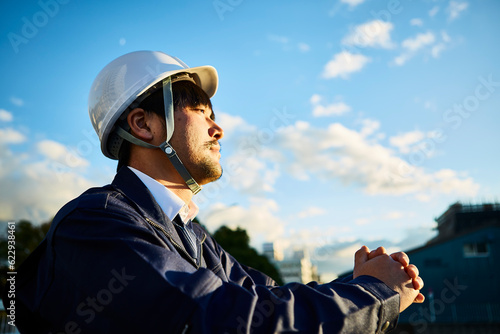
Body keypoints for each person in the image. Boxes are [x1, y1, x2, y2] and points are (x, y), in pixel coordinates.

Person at [6, 51, 424, 333]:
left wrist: (363, 279)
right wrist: (373, 293)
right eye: (201, 113)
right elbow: (224, 320)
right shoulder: (97, 224)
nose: (219, 129)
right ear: (143, 125)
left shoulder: (190, 233)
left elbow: (266, 299)